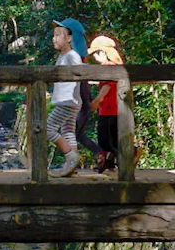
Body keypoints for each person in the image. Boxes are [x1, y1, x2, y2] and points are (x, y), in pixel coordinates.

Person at [48, 18, 87, 178]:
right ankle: (72, 166)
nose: (54, 38)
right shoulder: (63, 56)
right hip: (71, 101)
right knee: (68, 131)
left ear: (69, 38)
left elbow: (80, 69)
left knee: (47, 129)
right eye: (54, 35)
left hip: (67, 101)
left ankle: (71, 156)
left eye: (59, 34)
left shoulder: (71, 55)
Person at [88, 36, 124, 173]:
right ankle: (110, 166)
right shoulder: (114, 66)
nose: (95, 57)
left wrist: (97, 100)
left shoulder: (109, 67)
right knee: (112, 138)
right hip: (113, 107)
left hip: (108, 108)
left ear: (104, 52)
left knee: (105, 139)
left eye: (97, 53)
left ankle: (128, 155)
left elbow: (107, 86)